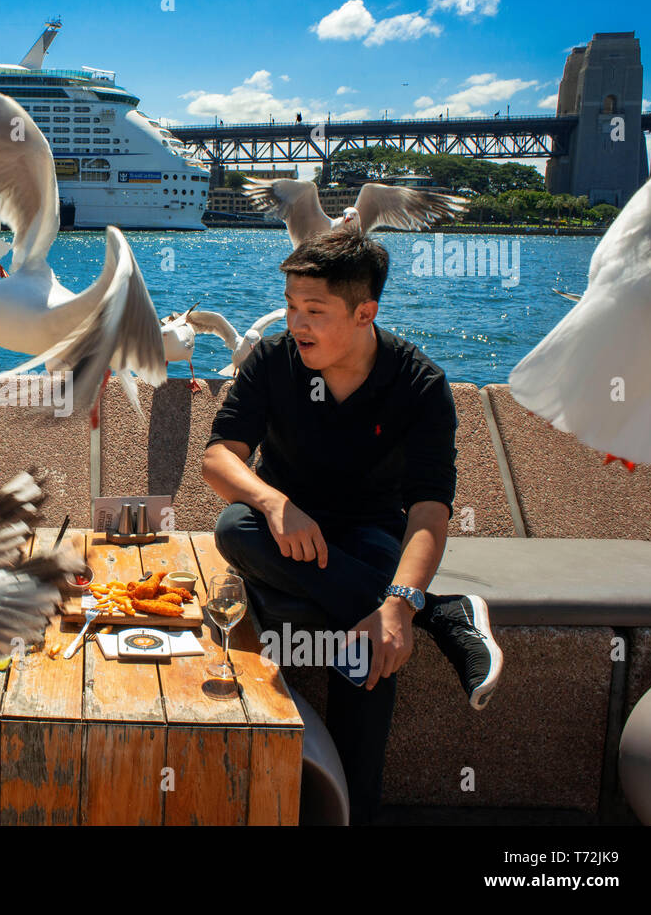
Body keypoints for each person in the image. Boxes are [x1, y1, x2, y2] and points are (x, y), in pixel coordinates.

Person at [201, 227, 502, 825]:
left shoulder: (418, 384)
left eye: (315, 311)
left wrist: (395, 602)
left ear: (365, 312)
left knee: (367, 619)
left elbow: (428, 511)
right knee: (235, 527)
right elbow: (218, 457)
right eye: (290, 307)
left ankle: (354, 810)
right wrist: (273, 501)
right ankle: (441, 613)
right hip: (282, 532)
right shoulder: (271, 361)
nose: (296, 324)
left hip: (368, 534)